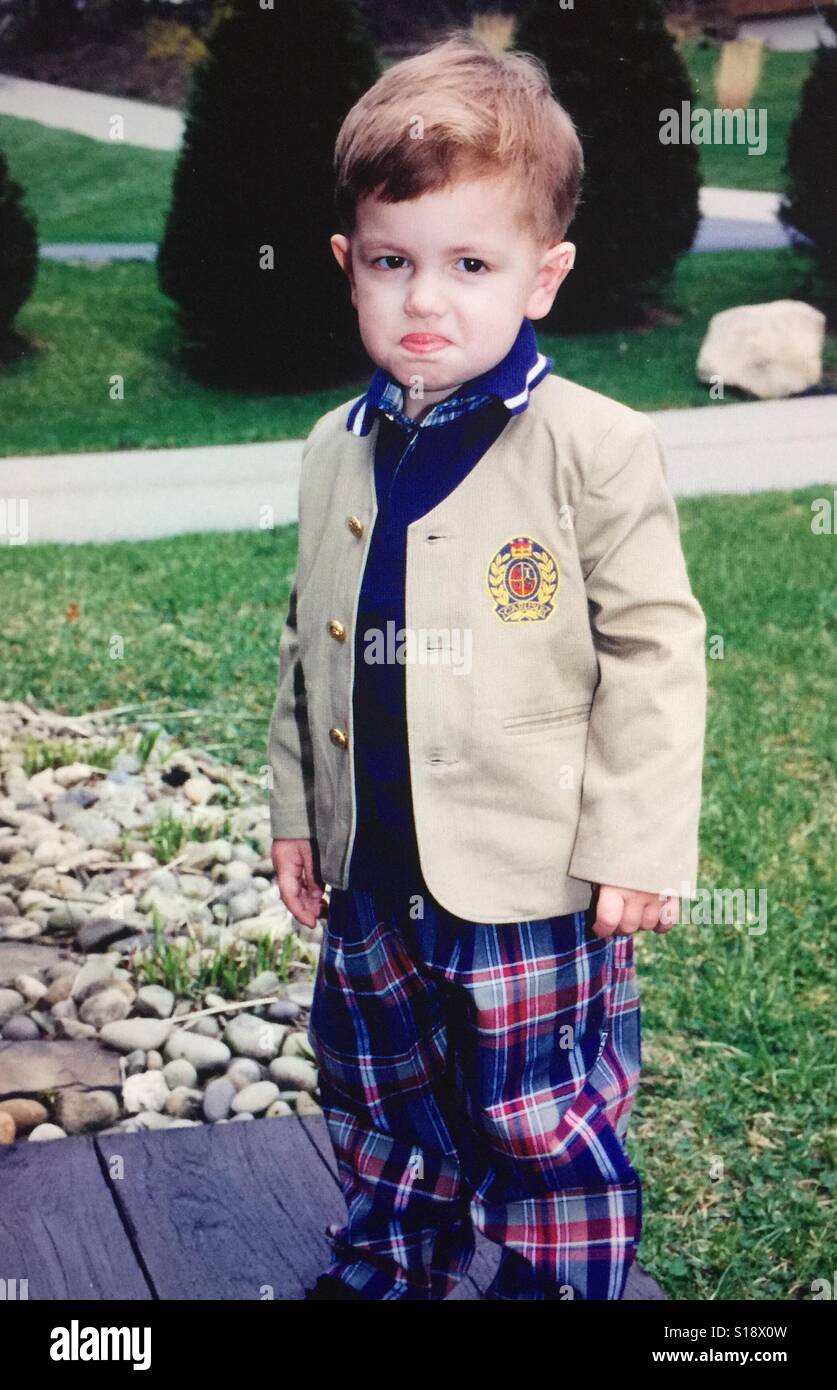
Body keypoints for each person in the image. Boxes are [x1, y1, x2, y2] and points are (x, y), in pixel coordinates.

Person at [266, 30, 707, 1301]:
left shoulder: (594, 447)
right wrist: (300, 812)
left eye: (471, 264)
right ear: (350, 266)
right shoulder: (331, 450)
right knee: (382, 1086)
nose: (425, 300)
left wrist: (637, 838)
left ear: (543, 276)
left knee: (539, 1104)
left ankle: (558, 1276)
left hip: (530, 873)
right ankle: (395, 1254)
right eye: (394, 263)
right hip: (374, 872)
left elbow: (657, 649)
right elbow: (309, 645)